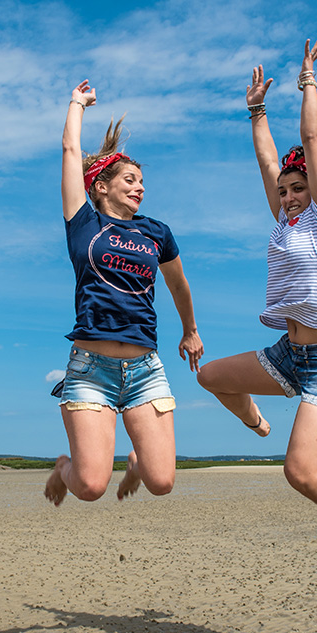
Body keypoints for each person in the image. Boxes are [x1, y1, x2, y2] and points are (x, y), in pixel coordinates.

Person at [196, 39, 317, 600]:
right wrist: (255, 112)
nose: (289, 195)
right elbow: (266, 160)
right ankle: (258, 424)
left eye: (297, 187)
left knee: (300, 472)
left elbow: (312, 140)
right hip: (288, 354)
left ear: (316, 189)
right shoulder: (285, 222)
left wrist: (308, 79)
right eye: (283, 191)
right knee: (210, 376)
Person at [44, 80, 204, 506]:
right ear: (101, 186)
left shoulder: (156, 232)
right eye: (130, 180)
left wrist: (190, 330)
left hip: (144, 369)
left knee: (162, 482)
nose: (140, 187)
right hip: (90, 369)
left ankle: (136, 461)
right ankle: (64, 467)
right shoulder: (84, 224)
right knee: (92, 487)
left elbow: (177, 284)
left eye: (141, 182)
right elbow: (70, 154)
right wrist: (77, 105)